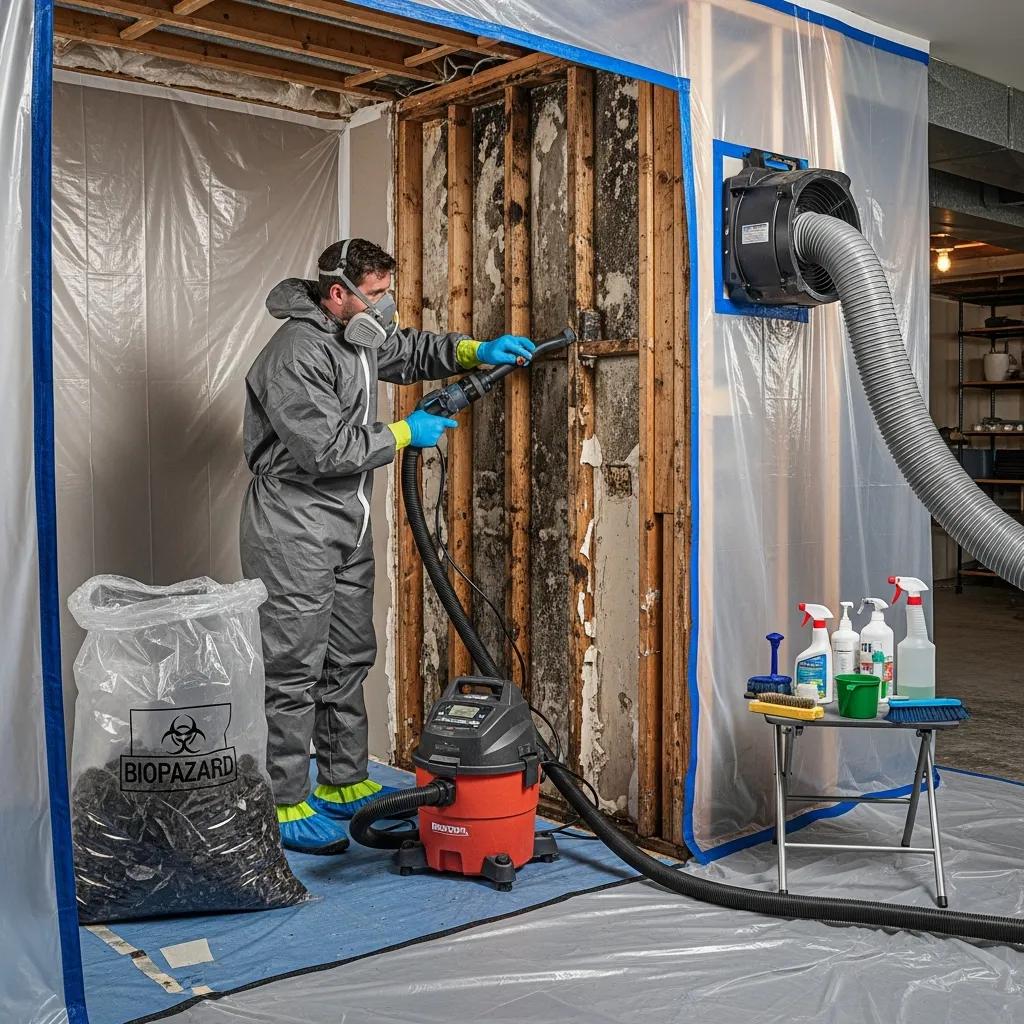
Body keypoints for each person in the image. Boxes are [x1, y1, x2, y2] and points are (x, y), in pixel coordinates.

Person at [240, 238, 535, 854]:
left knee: (348, 655)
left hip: (345, 520)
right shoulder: (295, 353)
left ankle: (343, 779)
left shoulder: (358, 335)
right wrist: (404, 431)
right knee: (294, 667)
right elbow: (324, 451)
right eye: (375, 295)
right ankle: (284, 798)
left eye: (387, 292)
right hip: (294, 525)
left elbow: (410, 351)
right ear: (338, 293)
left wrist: (476, 350)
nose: (387, 306)